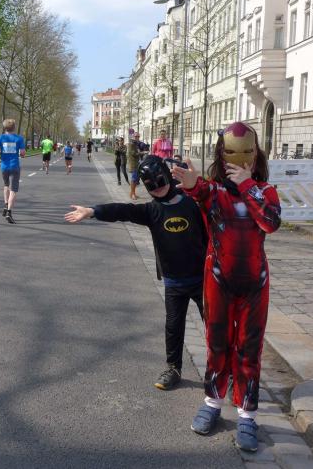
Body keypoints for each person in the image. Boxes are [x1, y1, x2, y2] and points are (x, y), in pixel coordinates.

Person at [171, 122, 281, 453]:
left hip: (254, 283)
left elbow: (270, 222)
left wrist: (247, 185)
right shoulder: (214, 193)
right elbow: (200, 192)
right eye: (231, 152)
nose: (240, 159)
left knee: (249, 349)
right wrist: (192, 184)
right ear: (221, 155)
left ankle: (247, 415)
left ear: (256, 154)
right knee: (217, 343)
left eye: (247, 152)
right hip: (218, 279)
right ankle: (213, 403)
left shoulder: (266, 191)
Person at [65, 155, 207, 390]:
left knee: (215, 326)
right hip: (174, 282)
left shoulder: (192, 203)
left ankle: (225, 369)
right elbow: (123, 211)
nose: (158, 189)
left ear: (168, 176)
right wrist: (92, 211)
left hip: (203, 279)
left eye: (160, 182)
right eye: (151, 186)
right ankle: (173, 367)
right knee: (173, 326)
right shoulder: (152, 210)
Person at [0, 118, 26, 224]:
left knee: (6, 185)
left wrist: (2, 153)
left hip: (4, 166)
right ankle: (9, 212)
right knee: (13, 189)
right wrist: (21, 154)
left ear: (5, 127)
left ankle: (6, 204)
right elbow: (23, 153)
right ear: (14, 127)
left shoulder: (1, 137)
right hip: (14, 166)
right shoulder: (19, 138)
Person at [127, 131, 145, 200]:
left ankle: (132, 193)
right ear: (133, 137)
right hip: (133, 164)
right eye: (136, 136)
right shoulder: (131, 144)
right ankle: (132, 194)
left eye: (138, 136)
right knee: (134, 179)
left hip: (137, 164)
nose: (137, 138)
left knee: (136, 180)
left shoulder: (136, 144)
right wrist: (142, 153)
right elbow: (133, 154)